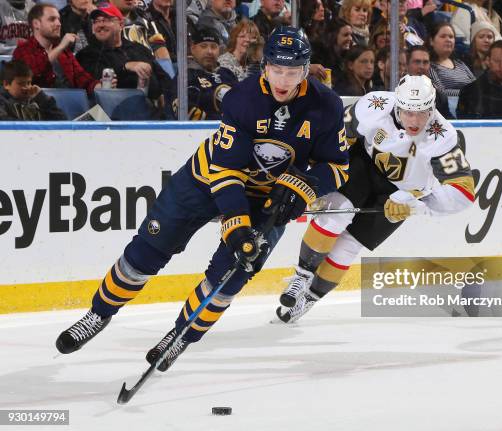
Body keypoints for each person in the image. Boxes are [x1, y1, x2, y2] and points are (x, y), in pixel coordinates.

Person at [55, 27, 350, 372]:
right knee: (148, 249)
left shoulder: (325, 105)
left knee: (233, 274)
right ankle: (98, 314)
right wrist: (236, 227)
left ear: (306, 69)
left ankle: (181, 335)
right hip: (205, 179)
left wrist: (304, 188)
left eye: (293, 71)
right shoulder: (244, 98)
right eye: (277, 70)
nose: (284, 80)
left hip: (269, 197)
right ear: (265, 65)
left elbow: (338, 166)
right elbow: (226, 172)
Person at [275, 75, 474, 323]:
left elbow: (463, 192)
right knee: (337, 211)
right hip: (364, 165)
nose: (414, 121)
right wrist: (317, 178)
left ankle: (310, 298)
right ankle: (301, 277)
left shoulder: (442, 136)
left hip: (402, 195)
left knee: (350, 245)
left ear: (432, 108)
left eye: (422, 113)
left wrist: (417, 205)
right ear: (397, 106)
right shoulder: (374, 105)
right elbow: (335, 135)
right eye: (408, 113)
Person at [76, 3, 169, 105]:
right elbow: (96, 78)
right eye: (96, 21)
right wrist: (125, 67)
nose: (100, 25)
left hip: (150, 110)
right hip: (112, 112)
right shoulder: (86, 54)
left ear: (121, 24)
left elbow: (163, 78)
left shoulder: (140, 49)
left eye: (106, 20)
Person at [12, 3, 100, 96]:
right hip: (38, 106)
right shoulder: (23, 50)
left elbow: (82, 78)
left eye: (59, 19)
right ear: (36, 24)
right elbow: (33, 72)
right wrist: (61, 47)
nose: (58, 24)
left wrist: (101, 87)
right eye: (52, 19)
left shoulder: (64, 52)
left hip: (68, 104)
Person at [176, 25, 235, 120]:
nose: (209, 51)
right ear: (193, 49)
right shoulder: (185, 76)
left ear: (219, 50)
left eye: (214, 47)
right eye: (203, 46)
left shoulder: (227, 74)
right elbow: (184, 109)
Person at [0, 58, 66, 119]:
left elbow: (62, 121)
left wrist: (42, 98)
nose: (27, 87)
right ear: (6, 84)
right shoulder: (2, 102)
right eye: (21, 83)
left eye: (28, 83)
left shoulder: (37, 100)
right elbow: (6, 123)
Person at [427, 22, 476, 98]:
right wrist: (466, 93)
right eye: (443, 36)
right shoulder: (429, 66)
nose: (448, 40)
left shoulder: (460, 63)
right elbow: (440, 92)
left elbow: (476, 85)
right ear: (431, 41)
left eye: (451, 37)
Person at [406, 45, 454, 118]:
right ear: (407, 65)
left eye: (425, 62)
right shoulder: (396, 90)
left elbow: (447, 120)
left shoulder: (438, 94)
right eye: (417, 62)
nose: (421, 66)